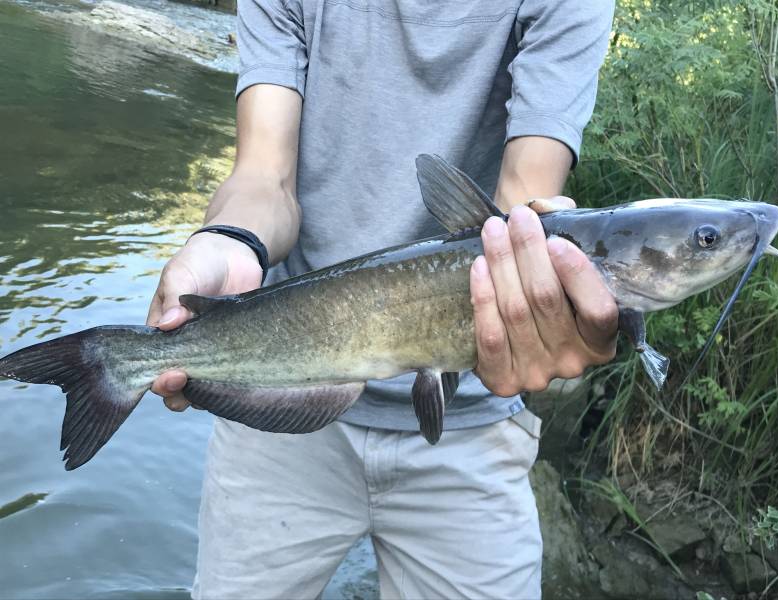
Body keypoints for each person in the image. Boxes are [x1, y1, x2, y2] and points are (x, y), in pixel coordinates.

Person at [146, 1, 616, 597]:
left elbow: (522, 208)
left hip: (469, 421)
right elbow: (265, 177)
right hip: (283, 398)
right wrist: (229, 241)